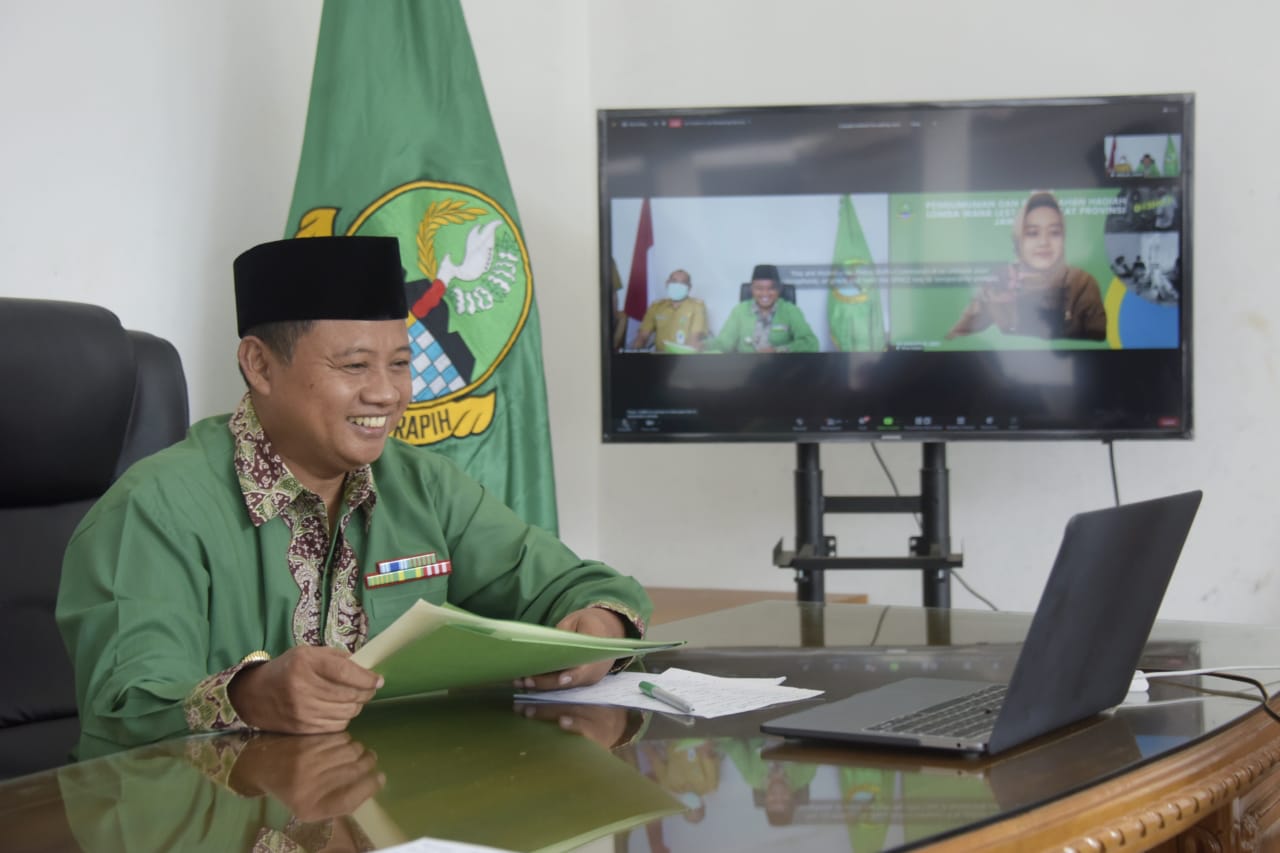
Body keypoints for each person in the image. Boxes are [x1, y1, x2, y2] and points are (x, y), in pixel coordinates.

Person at [56, 235, 651, 753]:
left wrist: (600, 628)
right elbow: (126, 712)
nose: (387, 394)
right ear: (259, 367)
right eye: (355, 365)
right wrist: (251, 697)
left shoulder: (423, 486)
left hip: (396, 811)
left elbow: (571, 586)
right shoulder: (155, 510)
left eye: (400, 363)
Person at [946, 191, 1106, 341]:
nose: (1044, 242)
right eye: (1032, 233)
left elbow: (1099, 340)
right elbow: (954, 336)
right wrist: (992, 300)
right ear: (1018, 240)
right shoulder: (1001, 279)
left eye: (1054, 232)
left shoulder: (1082, 283)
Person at [704, 264, 819, 353]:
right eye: (759, 288)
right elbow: (724, 343)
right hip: (746, 370)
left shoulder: (790, 310)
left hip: (782, 368)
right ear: (751, 289)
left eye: (771, 288)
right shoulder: (740, 310)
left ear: (778, 290)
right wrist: (702, 345)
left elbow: (811, 343)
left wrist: (778, 350)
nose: (765, 293)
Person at [628, 268, 709, 352]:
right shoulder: (656, 306)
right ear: (667, 284)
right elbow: (642, 336)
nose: (678, 285)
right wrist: (634, 354)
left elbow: (695, 337)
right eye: (674, 282)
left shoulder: (697, 306)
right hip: (660, 358)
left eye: (683, 283)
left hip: (683, 358)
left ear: (689, 287)